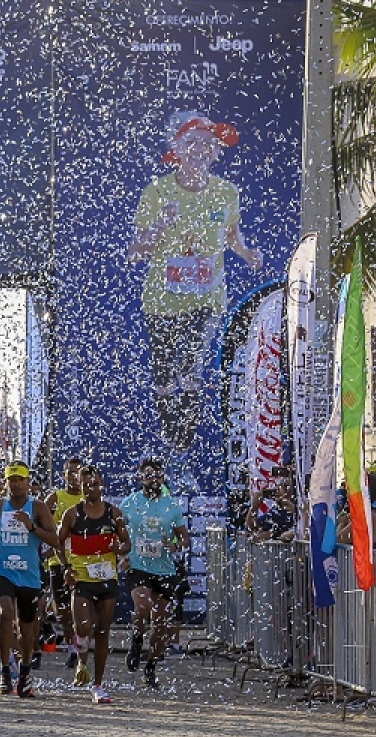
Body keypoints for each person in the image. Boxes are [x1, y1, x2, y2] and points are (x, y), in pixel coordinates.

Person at [128, 110, 262, 493]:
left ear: (215, 152)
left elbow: (232, 236)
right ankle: (172, 449)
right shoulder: (157, 193)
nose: (201, 150)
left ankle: (181, 450)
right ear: (177, 149)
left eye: (208, 144)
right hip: (161, 303)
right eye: (193, 143)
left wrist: (247, 254)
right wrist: (159, 227)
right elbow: (134, 252)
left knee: (190, 372)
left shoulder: (225, 192)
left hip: (206, 301)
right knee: (166, 381)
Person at [0, 461, 58, 698]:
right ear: (6, 482)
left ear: (28, 481)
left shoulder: (38, 507)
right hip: (2, 570)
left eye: (21, 479)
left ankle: (24, 672)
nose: (17, 484)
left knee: (27, 628)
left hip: (29, 575)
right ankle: (4, 672)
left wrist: (31, 527)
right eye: (12, 479)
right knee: (5, 613)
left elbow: (54, 539)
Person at [57, 465, 130, 704]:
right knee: (84, 626)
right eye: (86, 484)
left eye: (95, 483)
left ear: (101, 484)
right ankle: (80, 660)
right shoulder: (72, 514)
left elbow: (126, 542)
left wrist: (120, 549)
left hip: (107, 578)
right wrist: (66, 568)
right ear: (80, 486)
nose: (91, 488)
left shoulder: (114, 512)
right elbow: (57, 543)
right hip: (82, 579)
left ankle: (97, 685)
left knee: (102, 631)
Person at [120, 456, 190, 687]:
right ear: (140, 477)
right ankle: (136, 640)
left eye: (158, 475)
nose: (153, 479)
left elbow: (184, 539)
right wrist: (121, 555)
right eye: (148, 475)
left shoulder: (171, 506)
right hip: (138, 566)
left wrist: (174, 546)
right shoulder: (129, 503)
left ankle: (150, 666)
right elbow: (117, 532)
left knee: (160, 622)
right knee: (142, 606)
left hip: (164, 569)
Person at [42, 457, 83, 668]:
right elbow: (41, 521)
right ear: (63, 475)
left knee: (82, 606)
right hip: (58, 560)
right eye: (70, 473)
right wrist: (48, 544)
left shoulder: (89, 498)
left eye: (78, 473)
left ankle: (81, 643)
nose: (74, 477)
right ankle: (72, 646)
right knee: (62, 609)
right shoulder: (55, 497)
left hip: (83, 561)